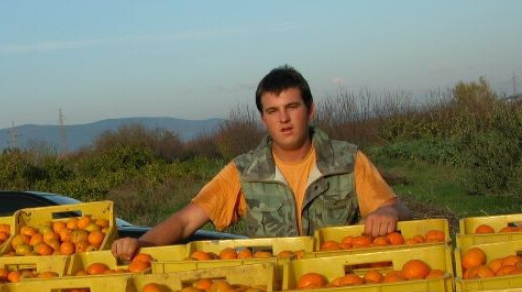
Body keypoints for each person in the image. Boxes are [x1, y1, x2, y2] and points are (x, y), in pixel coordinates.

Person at [112, 65, 412, 261]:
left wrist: (387, 211)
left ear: (310, 110)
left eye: (292, 107)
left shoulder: (348, 160)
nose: (283, 118)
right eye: (273, 111)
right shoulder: (244, 171)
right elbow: (184, 221)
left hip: (338, 286)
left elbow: (398, 209)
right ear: (263, 118)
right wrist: (143, 245)